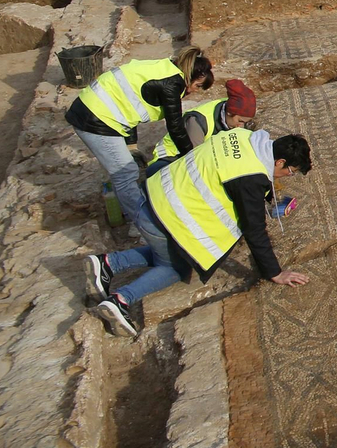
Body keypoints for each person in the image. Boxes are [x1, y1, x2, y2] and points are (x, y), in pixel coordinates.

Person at [85, 129, 313, 337]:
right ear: (280, 161)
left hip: (155, 194)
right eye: (290, 172)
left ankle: (108, 263)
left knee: (169, 251)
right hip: (166, 215)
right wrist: (274, 273)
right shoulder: (252, 178)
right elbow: (254, 229)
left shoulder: (242, 137)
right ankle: (121, 300)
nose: (287, 176)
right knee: (176, 267)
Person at [66, 48, 215, 229]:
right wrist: (191, 157)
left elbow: (130, 101)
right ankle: (143, 224)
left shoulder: (164, 67)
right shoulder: (172, 84)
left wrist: (131, 145)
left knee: (127, 167)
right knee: (126, 173)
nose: (194, 91)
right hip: (95, 120)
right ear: (191, 75)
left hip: (92, 108)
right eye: (198, 86)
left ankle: (128, 208)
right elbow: (175, 127)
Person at [145, 77, 256, 172]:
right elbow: (196, 160)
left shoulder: (234, 110)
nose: (241, 127)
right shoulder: (197, 122)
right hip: (170, 157)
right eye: (240, 121)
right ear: (229, 113)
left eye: (245, 123)